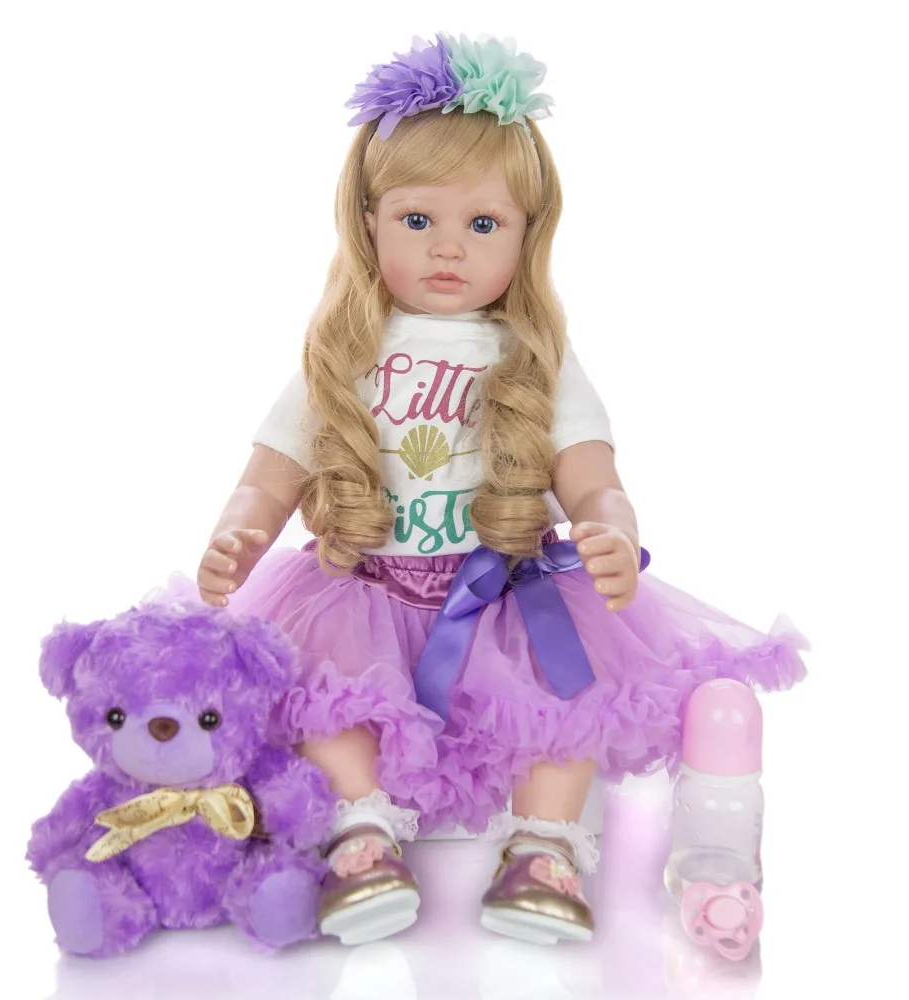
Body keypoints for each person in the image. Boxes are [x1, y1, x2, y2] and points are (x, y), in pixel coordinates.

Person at [190, 34, 807, 948]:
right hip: (364, 591)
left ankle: (543, 849)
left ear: (528, 232)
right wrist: (238, 534)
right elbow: (267, 476)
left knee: (565, 703)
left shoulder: (535, 358)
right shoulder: (342, 355)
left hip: (502, 596)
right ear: (368, 221)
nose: (449, 247)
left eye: (484, 225)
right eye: (417, 220)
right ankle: (363, 835)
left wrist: (608, 527)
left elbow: (594, 477)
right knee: (322, 701)